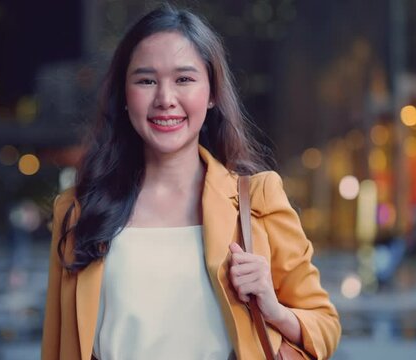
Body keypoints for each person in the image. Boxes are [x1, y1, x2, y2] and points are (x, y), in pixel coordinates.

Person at [42, 5, 340, 359]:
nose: (165, 99)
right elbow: (58, 348)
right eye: (146, 80)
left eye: (184, 79)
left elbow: (325, 325)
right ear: (124, 94)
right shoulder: (78, 210)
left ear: (212, 93)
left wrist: (273, 307)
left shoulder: (258, 198)